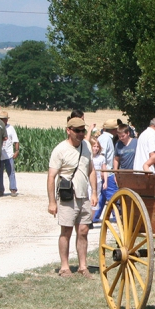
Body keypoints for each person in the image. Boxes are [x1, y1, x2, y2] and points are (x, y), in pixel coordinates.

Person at [47, 117, 98, 277]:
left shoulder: (86, 146)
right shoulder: (60, 149)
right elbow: (51, 176)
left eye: (83, 130)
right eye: (77, 131)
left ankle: (83, 266)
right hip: (68, 196)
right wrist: (52, 202)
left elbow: (91, 170)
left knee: (83, 231)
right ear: (68, 130)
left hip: (84, 196)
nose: (81, 134)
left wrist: (94, 192)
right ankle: (64, 267)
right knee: (66, 231)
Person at [93, 118, 120, 222]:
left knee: (103, 195)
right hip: (107, 172)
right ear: (113, 130)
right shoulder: (106, 138)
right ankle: (117, 216)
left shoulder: (105, 137)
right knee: (113, 195)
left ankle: (95, 216)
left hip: (106, 171)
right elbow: (102, 155)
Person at [0, 111, 20, 197]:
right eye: (1, 119)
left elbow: (16, 141)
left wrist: (17, 151)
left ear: (6, 120)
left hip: (9, 154)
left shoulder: (11, 128)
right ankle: (0, 190)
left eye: (4, 119)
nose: (2, 121)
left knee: (11, 172)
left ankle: (13, 189)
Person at [90, 138, 108, 219]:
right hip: (89, 181)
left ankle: (91, 218)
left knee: (96, 199)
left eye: (97, 146)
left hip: (98, 181)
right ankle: (87, 218)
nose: (96, 148)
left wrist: (105, 182)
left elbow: (104, 170)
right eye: (94, 146)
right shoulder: (88, 157)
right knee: (88, 198)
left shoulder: (101, 158)